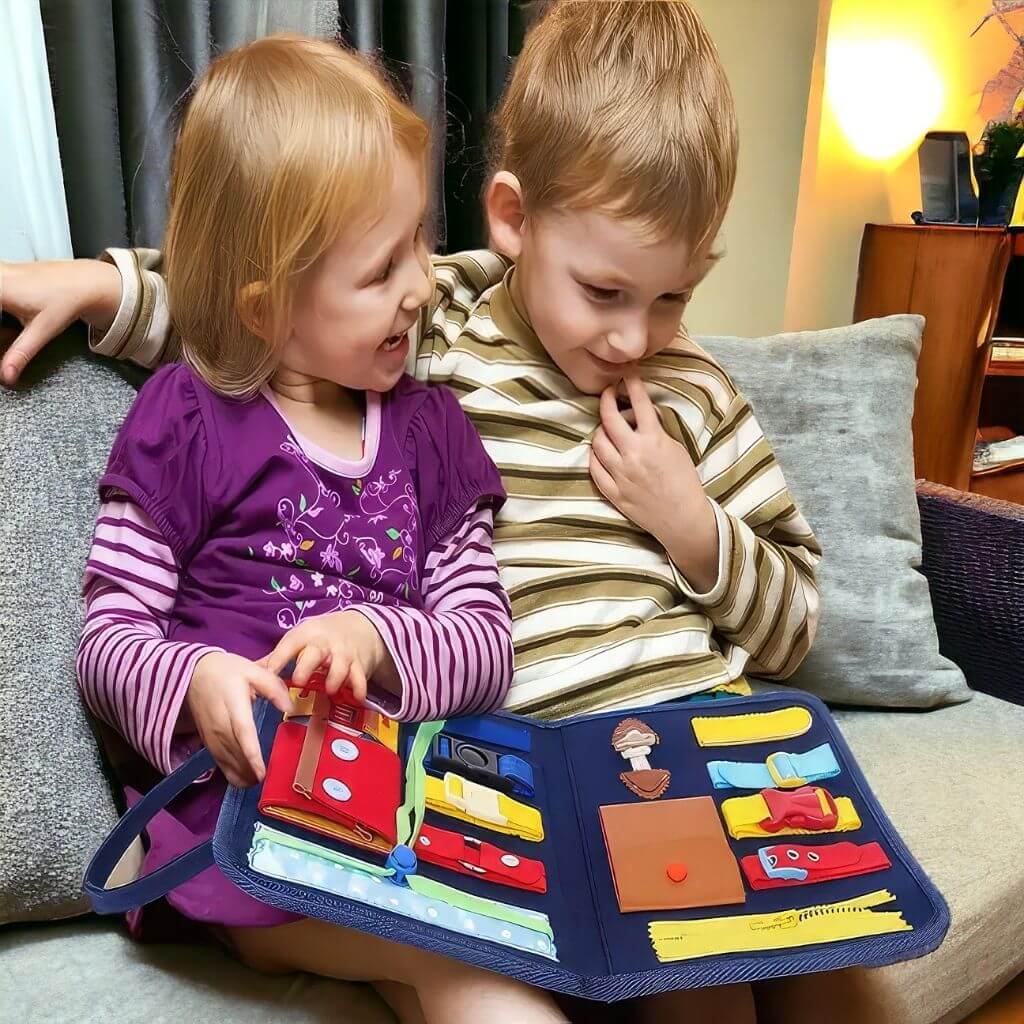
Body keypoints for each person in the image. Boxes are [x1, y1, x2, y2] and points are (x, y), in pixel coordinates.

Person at [1, 5, 821, 1021]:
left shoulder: (453, 422)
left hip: (507, 792)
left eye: (674, 298)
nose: (420, 287)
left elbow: (488, 644)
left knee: (771, 971)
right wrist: (103, 285)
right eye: (607, 289)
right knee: (481, 965)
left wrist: (687, 522)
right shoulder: (273, 385)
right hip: (284, 814)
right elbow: (263, 297)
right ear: (514, 221)